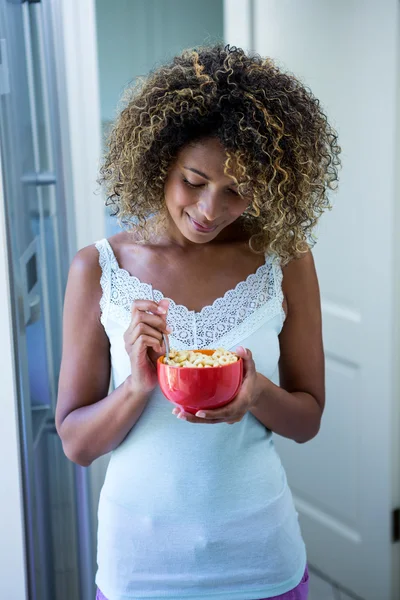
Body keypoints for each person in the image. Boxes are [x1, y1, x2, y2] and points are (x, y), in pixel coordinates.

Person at [56, 45, 341, 600]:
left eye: (237, 191)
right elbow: (77, 444)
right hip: (139, 569)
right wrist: (137, 386)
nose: (210, 209)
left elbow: (307, 422)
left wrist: (255, 390)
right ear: (160, 158)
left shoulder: (287, 260)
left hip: (261, 562)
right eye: (194, 180)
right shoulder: (98, 268)